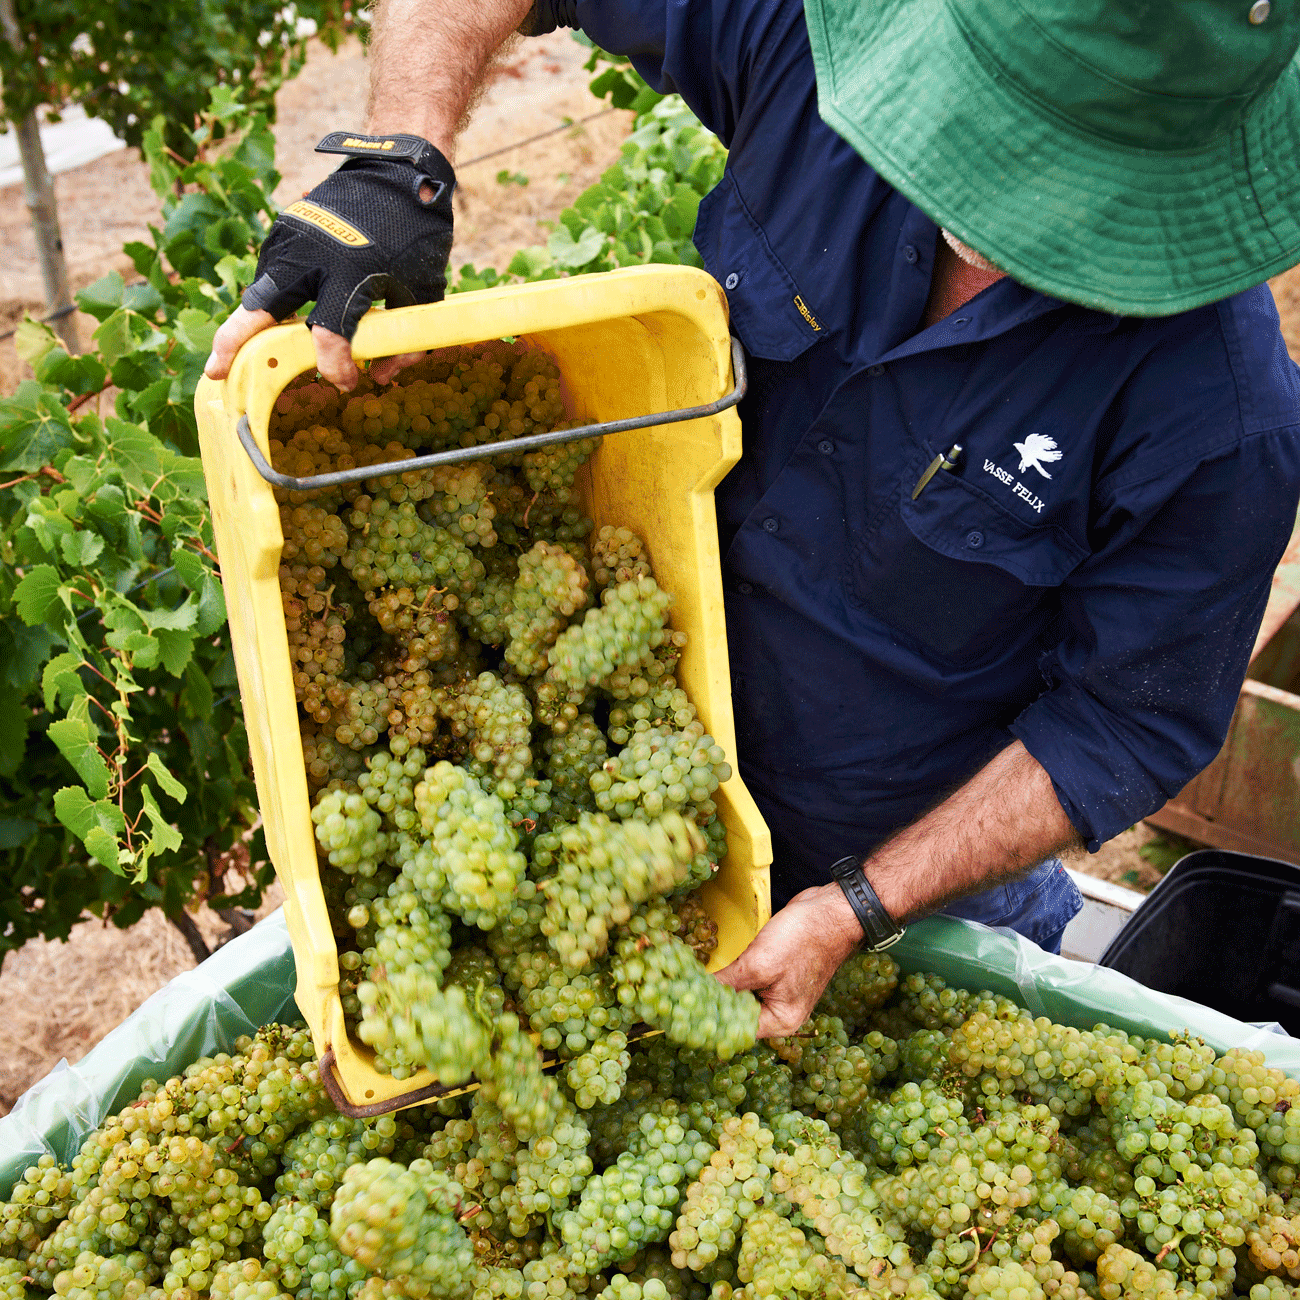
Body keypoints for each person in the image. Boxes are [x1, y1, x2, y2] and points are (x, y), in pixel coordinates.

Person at [206, 0, 1300, 1036]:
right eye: (993, 131)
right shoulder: (825, 50)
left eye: (1071, 176)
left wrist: (859, 905)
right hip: (604, 794)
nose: (1001, 199)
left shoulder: (1222, 417)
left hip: (902, 892)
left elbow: (1123, 724)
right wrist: (398, 160)